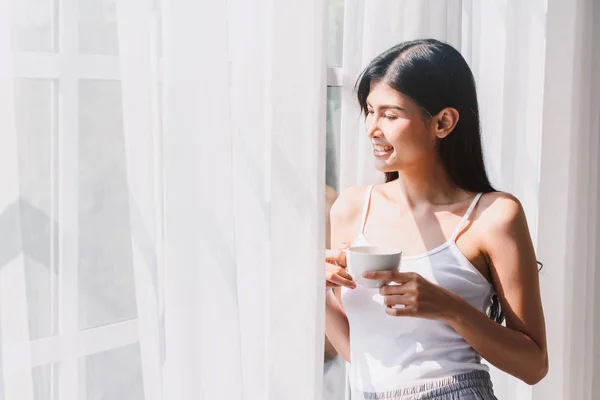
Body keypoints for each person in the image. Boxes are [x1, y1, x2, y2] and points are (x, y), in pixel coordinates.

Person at [324, 39, 548, 400]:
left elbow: (534, 365)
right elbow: (363, 354)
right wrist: (318, 292)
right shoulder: (351, 208)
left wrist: (448, 307)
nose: (372, 128)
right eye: (369, 111)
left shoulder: (494, 216)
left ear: (443, 122)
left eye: (390, 115)